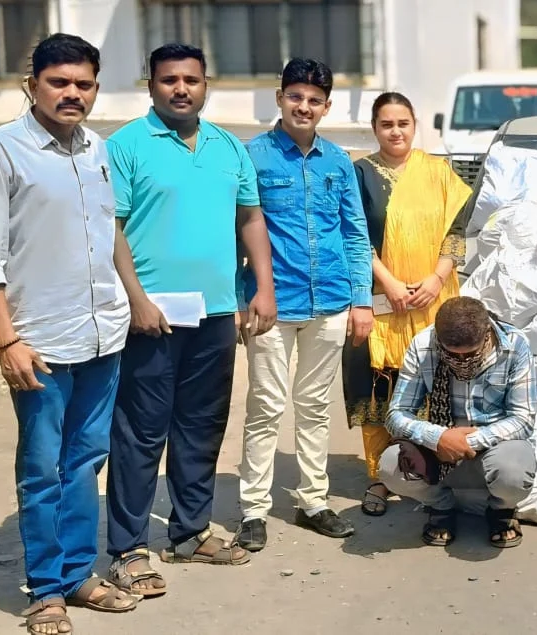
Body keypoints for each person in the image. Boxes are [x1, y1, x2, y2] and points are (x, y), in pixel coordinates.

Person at [0, 33, 141, 634]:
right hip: (38, 341)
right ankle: (45, 590)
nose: (72, 94)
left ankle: (77, 573)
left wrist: (130, 300)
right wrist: (8, 340)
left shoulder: (98, 148)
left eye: (83, 84)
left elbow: (109, 232)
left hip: (102, 335)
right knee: (43, 468)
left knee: (87, 459)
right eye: (59, 82)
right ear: (31, 84)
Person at [104, 42, 278, 596]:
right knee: (140, 432)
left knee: (202, 427)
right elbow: (113, 228)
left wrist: (263, 288)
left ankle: (190, 532)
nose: (181, 88)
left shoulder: (229, 147)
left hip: (217, 312)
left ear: (207, 84)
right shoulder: (127, 145)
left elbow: (249, 219)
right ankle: (129, 548)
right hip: (151, 316)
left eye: (192, 80)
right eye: (169, 80)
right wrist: (135, 299)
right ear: (150, 85)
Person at [233, 58, 373, 550]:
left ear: (326, 107)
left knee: (314, 407)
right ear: (280, 99)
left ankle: (314, 500)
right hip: (272, 305)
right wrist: (239, 299)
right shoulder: (252, 157)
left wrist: (361, 301)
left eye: (314, 100)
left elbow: (356, 235)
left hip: (332, 302)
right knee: (266, 406)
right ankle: (253, 508)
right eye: (295, 97)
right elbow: (236, 235)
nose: (304, 107)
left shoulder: (338, 160)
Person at [341, 92, 472, 517]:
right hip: (380, 301)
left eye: (402, 123)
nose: (395, 132)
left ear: (414, 125)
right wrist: (390, 284)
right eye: (386, 125)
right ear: (374, 128)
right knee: (379, 387)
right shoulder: (359, 174)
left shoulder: (438, 171)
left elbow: (458, 231)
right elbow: (354, 235)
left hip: (435, 299)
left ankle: (429, 468)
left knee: (434, 389)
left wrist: (436, 278)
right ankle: (380, 476)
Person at [377, 297, 536, 548]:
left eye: (470, 355)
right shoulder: (423, 345)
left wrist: (464, 441)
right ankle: (441, 507)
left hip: (495, 443)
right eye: (452, 355)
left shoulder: (515, 345)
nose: (462, 362)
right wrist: (438, 437)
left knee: (513, 474)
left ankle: (501, 511)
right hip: (439, 443)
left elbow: (523, 419)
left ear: (487, 335)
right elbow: (397, 414)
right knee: (390, 467)